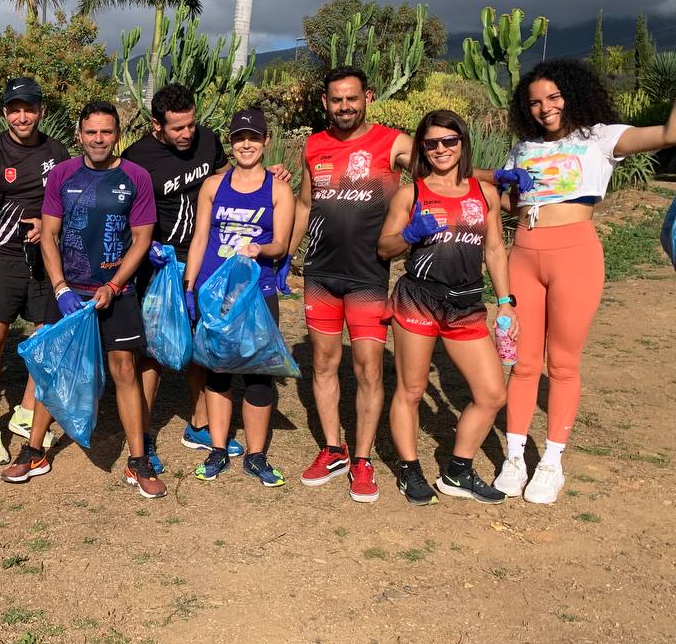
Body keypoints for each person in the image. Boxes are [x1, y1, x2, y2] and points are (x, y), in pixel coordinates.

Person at [495, 60, 676, 503]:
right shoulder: (522, 148)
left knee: (562, 363)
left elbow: (670, 135)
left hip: (575, 254)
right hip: (524, 255)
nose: (545, 108)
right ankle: (514, 457)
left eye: (554, 97)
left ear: (572, 95)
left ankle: (551, 462)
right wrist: (501, 185)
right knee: (522, 364)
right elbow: (503, 203)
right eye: (535, 102)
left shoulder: (600, 137)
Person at [1, 102, 165, 498]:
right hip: (69, 293)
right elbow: (50, 235)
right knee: (53, 370)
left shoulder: (136, 177)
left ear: (117, 135)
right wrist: (59, 287)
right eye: (91, 132)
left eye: (106, 132)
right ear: (80, 135)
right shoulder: (62, 175)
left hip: (116, 293)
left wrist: (115, 284)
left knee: (124, 369)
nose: (98, 139)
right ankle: (34, 450)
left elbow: (142, 239)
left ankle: (138, 460)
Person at [287, 66, 415, 502]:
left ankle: (362, 459)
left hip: (368, 277)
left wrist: (492, 181)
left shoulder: (392, 142)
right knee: (323, 364)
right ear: (325, 102)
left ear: (368, 97)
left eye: (352, 99)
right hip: (320, 275)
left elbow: (443, 163)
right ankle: (332, 448)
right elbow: (304, 205)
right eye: (336, 99)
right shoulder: (314, 145)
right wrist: (285, 255)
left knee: (368, 368)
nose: (344, 107)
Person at [377, 111, 514, 506]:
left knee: (491, 394)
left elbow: (494, 250)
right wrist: (408, 234)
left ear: (462, 143)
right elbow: (384, 248)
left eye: (448, 141)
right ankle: (409, 469)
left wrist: (507, 303)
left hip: (466, 303)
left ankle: (457, 471)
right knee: (413, 389)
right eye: (431, 143)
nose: (440, 149)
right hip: (419, 298)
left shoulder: (483, 193)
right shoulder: (411, 194)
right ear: (422, 148)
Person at [0, 77, 69, 464]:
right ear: (6, 112)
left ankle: (24, 412)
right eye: (15, 109)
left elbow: (65, 207)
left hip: (43, 258)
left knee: (44, 341)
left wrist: (46, 223)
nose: (22, 116)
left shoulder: (58, 152)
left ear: (41, 110)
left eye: (29, 108)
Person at [183, 106, 295, 483]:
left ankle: (256, 455)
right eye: (238, 138)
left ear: (265, 141)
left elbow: (280, 243)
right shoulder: (214, 186)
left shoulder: (277, 189)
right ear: (231, 144)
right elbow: (200, 238)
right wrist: (189, 284)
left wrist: (258, 249)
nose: (246, 144)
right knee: (218, 370)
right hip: (216, 293)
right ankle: (217, 450)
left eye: (253, 137)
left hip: (257, 293)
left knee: (258, 374)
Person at [121, 82, 226, 471]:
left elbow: (226, 180)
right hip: (160, 264)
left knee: (201, 340)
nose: (187, 134)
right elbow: (126, 211)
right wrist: (141, 248)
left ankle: (199, 424)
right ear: (156, 126)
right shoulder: (137, 158)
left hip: (204, 258)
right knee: (153, 351)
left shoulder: (208, 141)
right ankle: (144, 437)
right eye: (177, 128)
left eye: (190, 125)